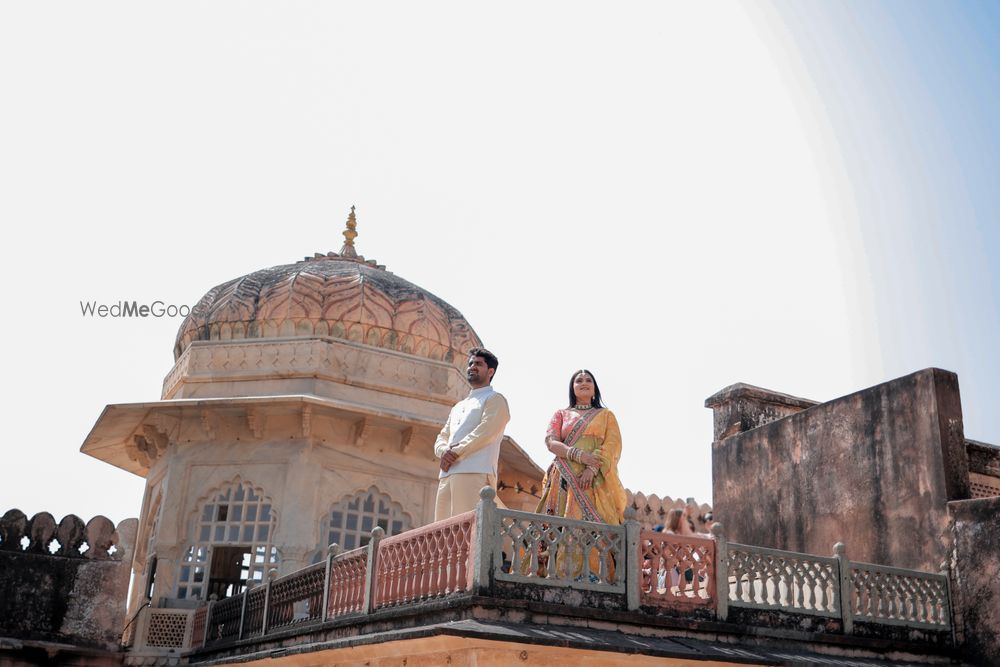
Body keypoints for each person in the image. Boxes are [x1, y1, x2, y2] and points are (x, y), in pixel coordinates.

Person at [532, 369, 627, 578]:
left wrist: (591, 469)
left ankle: (595, 576)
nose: (584, 382)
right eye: (579, 380)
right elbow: (551, 442)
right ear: (572, 388)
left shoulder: (606, 415)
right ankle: (553, 573)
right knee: (559, 523)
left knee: (594, 525)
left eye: (588, 380)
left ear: (594, 388)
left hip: (594, 482)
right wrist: (578, 455)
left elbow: (612, 444)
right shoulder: (561, 414)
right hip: (563, 479)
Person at [433, 348, 510, 521]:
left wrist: (454, 452)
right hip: (447, 474)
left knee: (469, 528)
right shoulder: (458, 406)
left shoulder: (495, 399)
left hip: (474, 472)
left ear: (490, 371)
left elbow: (485, 432)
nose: (472, 367)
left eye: (478, 364)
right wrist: (443, 451)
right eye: (470, 363)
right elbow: (442, 436)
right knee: (443, 530)